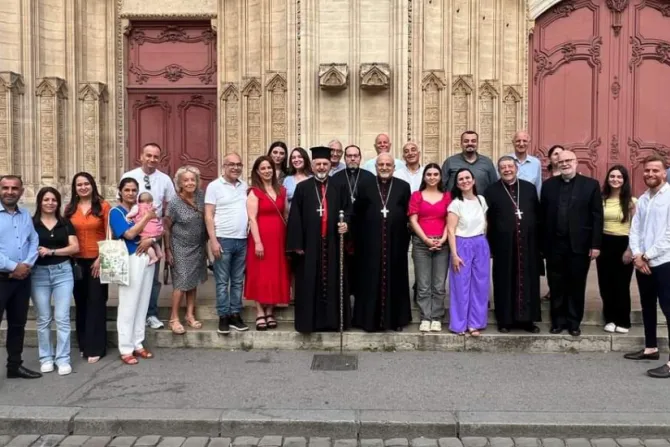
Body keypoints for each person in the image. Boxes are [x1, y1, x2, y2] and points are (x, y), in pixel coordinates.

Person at [286, 146, 350, 333]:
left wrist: (346, 223)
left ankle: (333, 322)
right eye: (318, 164)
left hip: (333, 243)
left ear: (330, 166)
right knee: (309, 283)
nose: (322, 167)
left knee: (333, 282)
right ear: (312, 166)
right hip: (310, 245)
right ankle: (309, 323)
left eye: (325, 164)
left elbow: (348, 211)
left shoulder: (340, 186)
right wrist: (297, 244)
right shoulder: (302, 187)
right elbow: (295, 217)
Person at [540, 150, 603, 336]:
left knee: (576, 285)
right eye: (561, 161)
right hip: (554, 245)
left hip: (579, 245)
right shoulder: (548, 185)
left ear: (576, 162)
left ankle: (574, 322)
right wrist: (542, 245)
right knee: (556, 284)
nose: (565, 164)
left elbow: (597, 217)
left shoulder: (591, 185)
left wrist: (596, 245)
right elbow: (542, 217)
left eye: (569, 160)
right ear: (556, 164)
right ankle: (558, 322)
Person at [352, 153, 412, 332]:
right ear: (376, 167)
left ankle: (396, 320)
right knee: (370, 280)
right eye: (381, 165)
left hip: (396, 242)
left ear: (394, 167)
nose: (384, 167)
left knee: (396, 279)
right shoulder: (365, 185)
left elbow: (408, 214)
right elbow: (357, 213)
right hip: (370, 243)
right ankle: (368, 320)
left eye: (388, 164)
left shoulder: (403, 186)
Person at [121, 142, 176, 330]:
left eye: (156, 156)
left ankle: (151, 313)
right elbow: (123, 206)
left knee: (152, 278)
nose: (152, 160)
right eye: (149, 155)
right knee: (132, 276)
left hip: (154, 234)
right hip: (132, 234)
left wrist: (160, 234)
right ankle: (133, 314)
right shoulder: (129, 177)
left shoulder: (165, 180)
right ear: (141, 156)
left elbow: (169, 210)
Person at [484, 156, 541, 333]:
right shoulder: (491, 190)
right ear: (498, 170)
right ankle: (504, 320)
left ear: (516, 168)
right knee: (504, 280)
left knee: (528, 280)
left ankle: (528, 320)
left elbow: (538, 215)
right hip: (503, 245)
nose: (507, 169)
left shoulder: (529, 188)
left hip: (528, 243)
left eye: (510, 166)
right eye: (503, 167)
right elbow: (487, 220)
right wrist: (490, 246)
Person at [625, 155, 670, 378]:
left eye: (655, 170)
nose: (650, 174)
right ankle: (651, 348)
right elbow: (635, 230)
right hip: (642, 262)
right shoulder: (643, 199)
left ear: (664, 172)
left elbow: (669, 235)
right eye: (647, 171)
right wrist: (636, 255)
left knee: (669, 309)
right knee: (647, 306)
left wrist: (647, 256)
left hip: (664, 262)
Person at [30, 187, 79, 376]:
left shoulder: (65, 223)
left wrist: (51, 252)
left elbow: (75, 247)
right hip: (38, 274)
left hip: (62, 273)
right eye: (46, 199)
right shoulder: (31, 224)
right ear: (39, 202)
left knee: (62, 317)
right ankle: (46, 357)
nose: (50, 203)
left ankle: (63, 358)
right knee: (43, 318)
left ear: (58, 203)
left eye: (54, 200)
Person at [109, 178, 158, 365]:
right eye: (127, 190)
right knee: (129, 305)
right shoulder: (117, 212)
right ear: (120, 191)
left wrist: (151, 240)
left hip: (145, 257)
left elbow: (155, 230)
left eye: (134, 190)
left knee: (142, 303)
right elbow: (129, 234)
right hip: (129, 258)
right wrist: (147, 218)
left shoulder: (140, 209)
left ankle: (138, 343)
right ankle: (126, 348)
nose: (130, 193)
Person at [65, 172, 111, 364]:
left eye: (86, 184)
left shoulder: (103, 206)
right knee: (81, 302)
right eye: (79, 185)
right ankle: (84, 343)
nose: (83, 187)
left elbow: (110, 233)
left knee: (97, 302)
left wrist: (102, 258)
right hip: (76, 262)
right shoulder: (70, 209)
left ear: (92, 185)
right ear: (75, 189)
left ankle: (96, 347)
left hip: (97, 260)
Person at [0, 175, 40, 379]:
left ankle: (14, 366)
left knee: (18, 324)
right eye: (5, 188)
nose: (9, 192)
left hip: (22, 279)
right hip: (1, 278)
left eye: (14, 188)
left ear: (21, 192)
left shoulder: (25, 214)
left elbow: (34, 240)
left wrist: (27, 264)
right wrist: (14, 266)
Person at [205, 153, 249, 335]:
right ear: (224, 166)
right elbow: (208, 215)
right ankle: (223, 316)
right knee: (223, 281)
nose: (235, 167)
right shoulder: (214, 186)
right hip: (223, 239)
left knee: (238, 281)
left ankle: (235, 313)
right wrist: (213, 241)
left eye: (239, 164)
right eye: (231, 164)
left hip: (242, 240)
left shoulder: (244, 186)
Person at [245, 156, 291, 330]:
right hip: (261, 237)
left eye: (269, 168)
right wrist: (257, 242)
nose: (266, 171)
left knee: (275, 272)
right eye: (262, 168)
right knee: (260, 273)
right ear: (257, 171)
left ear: (274, 169)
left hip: (279, 238)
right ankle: (259, 312)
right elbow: (252, 218)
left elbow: (285, 214)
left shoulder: (282, 190)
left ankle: (270, 310)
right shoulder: (254, 192)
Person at [164, 166, 208, 335]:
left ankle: (190, 315)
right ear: (179, 183)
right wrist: (168, 250)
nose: (190, 183)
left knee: (193, 281)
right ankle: (174, 318)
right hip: (180, 246)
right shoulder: (174, 203)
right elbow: (166, 227)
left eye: (193, 180)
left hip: (198, 245)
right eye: (186, 180)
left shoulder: (201, 196)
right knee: (181, 283)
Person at [447, 168, 490, 336]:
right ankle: (459, 324)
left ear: (473, 181)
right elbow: (451, 230)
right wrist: (455, 254)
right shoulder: (456, 204)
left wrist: (482, 243)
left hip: (480, 242)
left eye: (467, 178)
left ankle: (475, 323)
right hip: (462, 244)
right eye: (461, 179)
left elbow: (484, 222)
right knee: (461, 284)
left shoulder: (481, 200)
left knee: (480, 284)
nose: (464, 181)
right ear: (457, 184)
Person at [408, 163, 451, 332]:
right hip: (421, 243)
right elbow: (413, 220)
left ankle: (437, 317)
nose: (432, 177)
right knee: (424, 284)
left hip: (443, 243)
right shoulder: (416, 195)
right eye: (429, 174)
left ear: (440, 177)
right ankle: (425, 316)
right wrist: (426, 240)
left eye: (435, 174)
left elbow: (450, 221)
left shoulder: (447, 196)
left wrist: (442, 239)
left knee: (439, 284)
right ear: (424, 177)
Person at [596, 165, 636, 334]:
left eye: (619, 177)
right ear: (607, 179)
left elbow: (636, 227)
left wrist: (630, 249)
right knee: (605, 283)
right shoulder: (601, 199)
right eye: (612, 176)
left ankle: (623, 320)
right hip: (604, 243)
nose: (615, 179)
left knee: (621, 284)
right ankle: (610, 319)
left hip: (623, 244)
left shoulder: (632, 201)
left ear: (624, 180)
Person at [127, 192, 163, 265]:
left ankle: (153, 257)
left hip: (146, 229)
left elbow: (133, 213)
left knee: (145, 244)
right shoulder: (152, 206)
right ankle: (159, 253)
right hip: (155, 228)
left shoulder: (138, 206)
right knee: (153, 241)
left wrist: (127, 216)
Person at [508, 131, 542, 195]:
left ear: (529, 143)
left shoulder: (536, 163)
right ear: (513, 143)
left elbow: (538, 186)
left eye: (524, 141)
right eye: (518, 141)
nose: (521, 144)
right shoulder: (505, 161)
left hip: (529, 200)